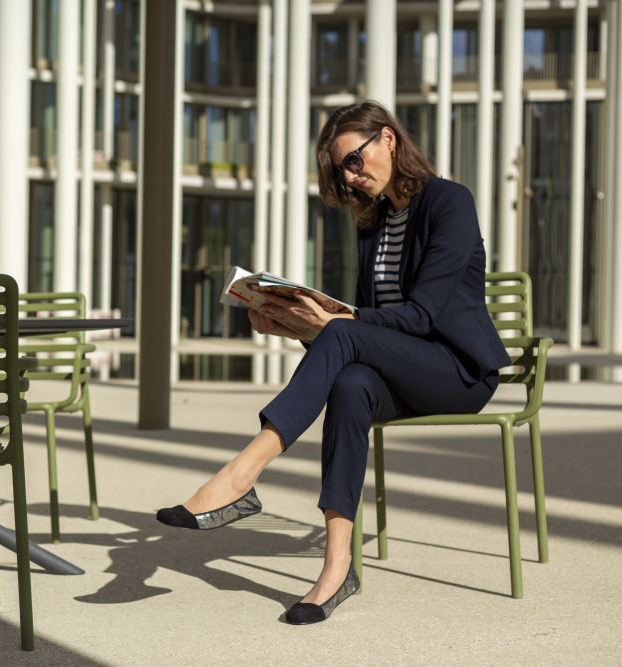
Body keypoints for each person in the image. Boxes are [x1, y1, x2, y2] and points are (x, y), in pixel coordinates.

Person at [156, 100, 510, 625]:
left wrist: (336, 324)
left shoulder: (449, 202)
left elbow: (419, 316)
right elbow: (368, 333)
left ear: (389, 140)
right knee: (349, 385)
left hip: (457, 371)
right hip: (401, 367)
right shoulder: (374, 223)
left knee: (344, 339)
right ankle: (336, 567)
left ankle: (241, 474)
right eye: (342, 170)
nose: (351, 177)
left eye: (354, 160)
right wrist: (296, 324)